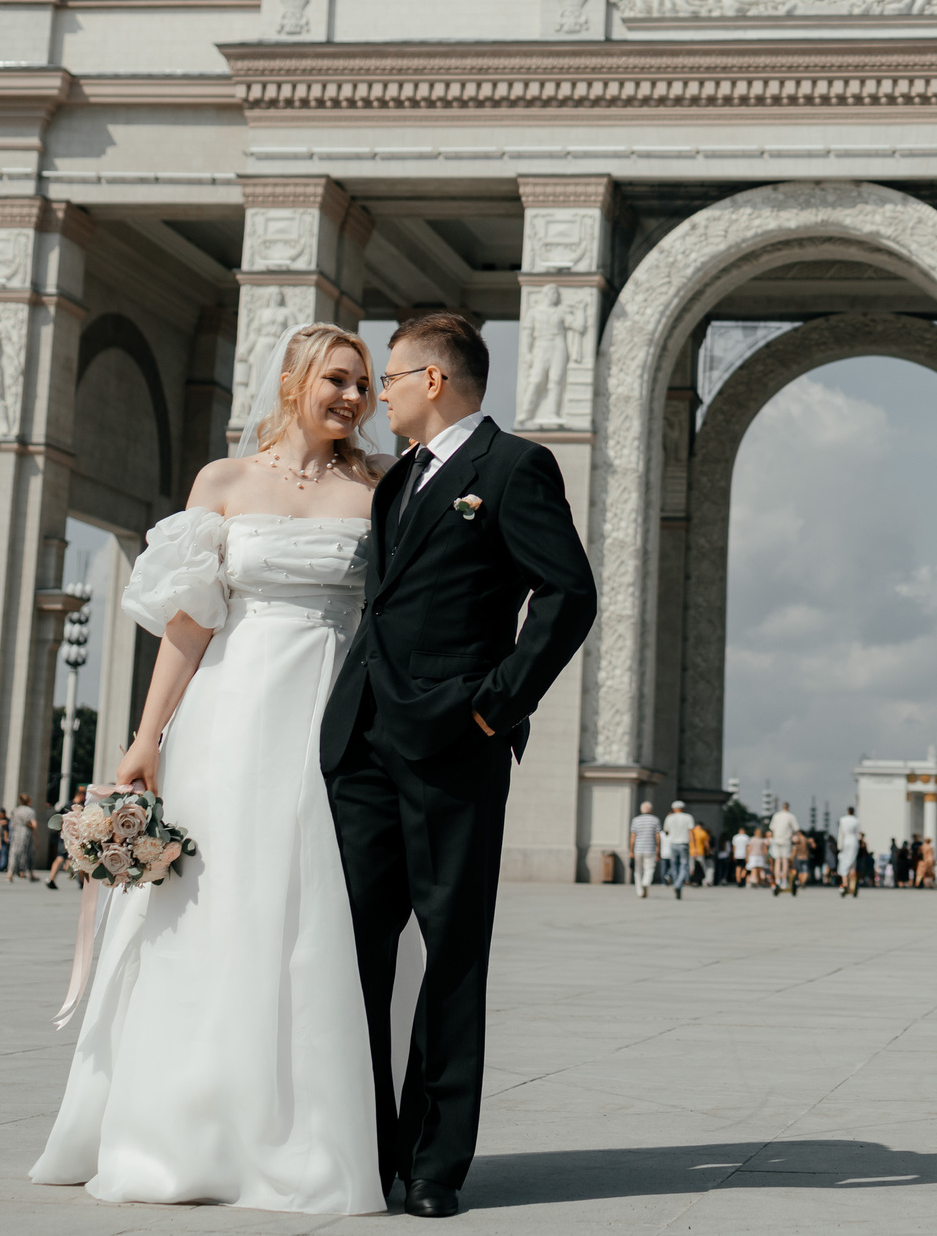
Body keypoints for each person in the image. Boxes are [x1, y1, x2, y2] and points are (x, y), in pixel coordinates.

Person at [34, 322, 399, 1214]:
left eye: (364, 384)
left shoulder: (380, 487)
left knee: (309, 914)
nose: (354, 397)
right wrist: (144, 736)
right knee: (209, 906)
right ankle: (181, 1127)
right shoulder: (223, 483)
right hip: (229, 719)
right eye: (337, 379)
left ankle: (307, 1135)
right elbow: (191, 621)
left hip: (333, 716)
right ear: (292, 381)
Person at [320, 311, 598, 1218]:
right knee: (353, 948)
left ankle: (436, 1163)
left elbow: (569, 592)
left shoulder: (513, 468)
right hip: (363, 746)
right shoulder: (396, 479)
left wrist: (496, 702)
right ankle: (365, 1142)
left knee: (450, 955)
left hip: (453, 747)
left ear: (433, 381)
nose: (378, 394)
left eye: (390, 377)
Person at [662, 801, 694, 899]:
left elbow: (666, 832)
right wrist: (694, 847)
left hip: (673, 844)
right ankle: (678, 885)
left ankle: (676, 884)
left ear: (673, 808)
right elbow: (691, 833)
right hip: (684, 844)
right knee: (684, 865)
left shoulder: (669, 818)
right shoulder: (688, 817)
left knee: (674, 865)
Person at [629, 800, 661, 899]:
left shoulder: (636, 820)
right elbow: (657, 837)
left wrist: (631, 850)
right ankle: (646, 882)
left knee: (637, 871)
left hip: (638, 848)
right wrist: (658, 849)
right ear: (651, 809)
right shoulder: (655, 820)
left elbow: (633, 836)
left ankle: (639, 891)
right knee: (649, 868)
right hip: (650, 848)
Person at [769, 801, 799, 895]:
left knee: (777, 861)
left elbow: (772, 828)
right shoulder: (790, 816)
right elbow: (796, 829)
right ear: (788, 808)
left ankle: (777, 880)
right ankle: (784, 881)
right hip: (786, 840)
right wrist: (796, 837)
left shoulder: (776, 816)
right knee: (785, 861)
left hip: (776, 840)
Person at [9, 793, 39, 883]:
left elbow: (12, 823)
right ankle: (30, 873)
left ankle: (10, 873)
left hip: (16, 832)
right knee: (28, 853)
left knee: (14, 852)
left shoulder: (15, 810)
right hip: (26, 833)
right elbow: (34, 825)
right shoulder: (30, 811)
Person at [836, 805, 861, 899]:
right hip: (854, 841)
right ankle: (851, 884)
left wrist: (839, 846)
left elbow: (840, 833)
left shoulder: (843, 819)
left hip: (846, 841)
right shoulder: (856, 820)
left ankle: (844, 884)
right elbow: (859, 834)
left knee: (843, 863)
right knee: (852, 864)